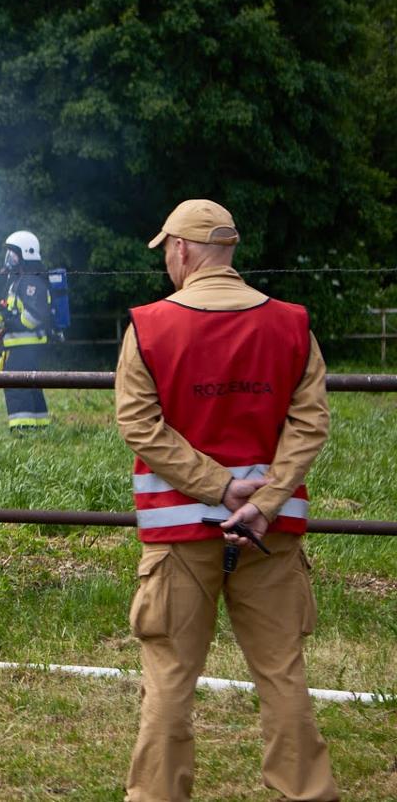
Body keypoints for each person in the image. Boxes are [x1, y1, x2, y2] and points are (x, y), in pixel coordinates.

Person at [118, 199, 335, 801]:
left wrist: (216, 486)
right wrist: (263, 499)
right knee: (282, 674)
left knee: (169, 679)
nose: (167, 261)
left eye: (167, 251)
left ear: (182, 250)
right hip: (270, 532)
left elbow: (139, 426)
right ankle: (308, 793)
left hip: (179, 536)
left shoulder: (149, 327)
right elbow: (310, 423)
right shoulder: (292, 325)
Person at [0, 231, 52, 432]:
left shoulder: (30, 281)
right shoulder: (20, 279)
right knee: (31, 386)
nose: (9, 258)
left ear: (25, 254)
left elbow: (33, 317)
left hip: (25, 345)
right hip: (22, 346)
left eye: (13, 253)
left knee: (16, 385)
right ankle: (39, 426)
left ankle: (22, 428)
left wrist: (12, 323)